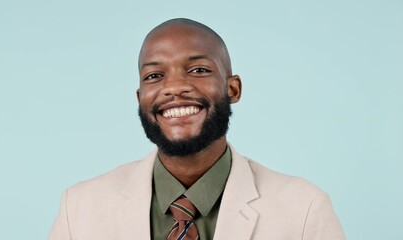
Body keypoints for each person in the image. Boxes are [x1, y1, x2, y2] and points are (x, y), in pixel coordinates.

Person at [49, 18, 346, 240]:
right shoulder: (79, 209)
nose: (175, 87)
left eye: (199, 70)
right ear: (140, 99)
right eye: (154, 75)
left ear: (233, 89)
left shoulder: (304, 209)